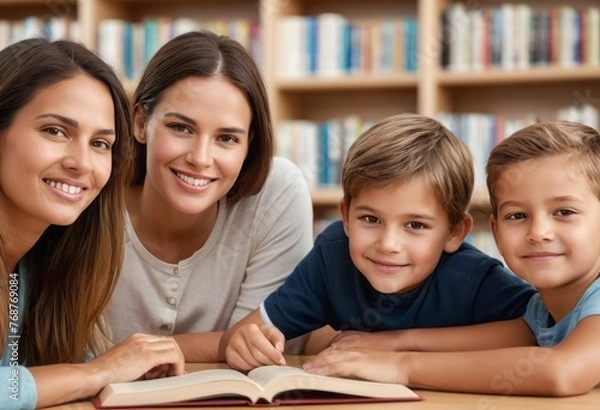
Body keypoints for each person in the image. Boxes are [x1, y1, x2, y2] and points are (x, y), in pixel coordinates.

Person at [303, 120, 600, 397]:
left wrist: (401, 367)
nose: (539, 232)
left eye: (564, 212)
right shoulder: (541, 310)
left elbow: (562, 371)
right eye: (517, 215)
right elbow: (516, 338)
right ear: (495, 231)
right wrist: (392, 343)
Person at [220, 113, 535, 371]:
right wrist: (244, 342)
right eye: (370, 219)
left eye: (415, 225)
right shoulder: (332, 258)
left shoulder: (471, 276)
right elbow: (250, 331)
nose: (388, 244)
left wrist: (397, 342)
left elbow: (535, 331)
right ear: (345, 216)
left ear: (454, 232)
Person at [104, 30, 314, 362]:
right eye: (181, 128)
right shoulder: (91, 197)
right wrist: (223, 343)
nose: (201, 158)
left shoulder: (277, 192)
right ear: (141, 122)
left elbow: (261, 340)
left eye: (227, 138)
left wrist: (142, 355)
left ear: (249, 144)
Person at [0, 38, 184, 410]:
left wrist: (118, 368)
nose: (82, 164)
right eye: (55, 131)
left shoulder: (37, 264)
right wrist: (98, 371)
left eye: (100, 143)